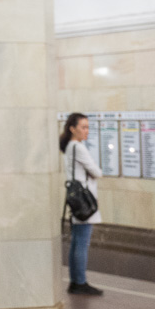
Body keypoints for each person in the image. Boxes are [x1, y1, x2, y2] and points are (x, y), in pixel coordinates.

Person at [61, 112, 103, 296]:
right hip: (85, 201)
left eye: (87, 127)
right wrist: (96, 171)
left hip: (76, 199)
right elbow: (96, 172)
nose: (86, 131)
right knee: (82, 242)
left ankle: (75, 280)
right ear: (72, 128)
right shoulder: (78, 147)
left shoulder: (69, 147)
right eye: (83, 127)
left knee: (77, 241)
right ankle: (80, 281)